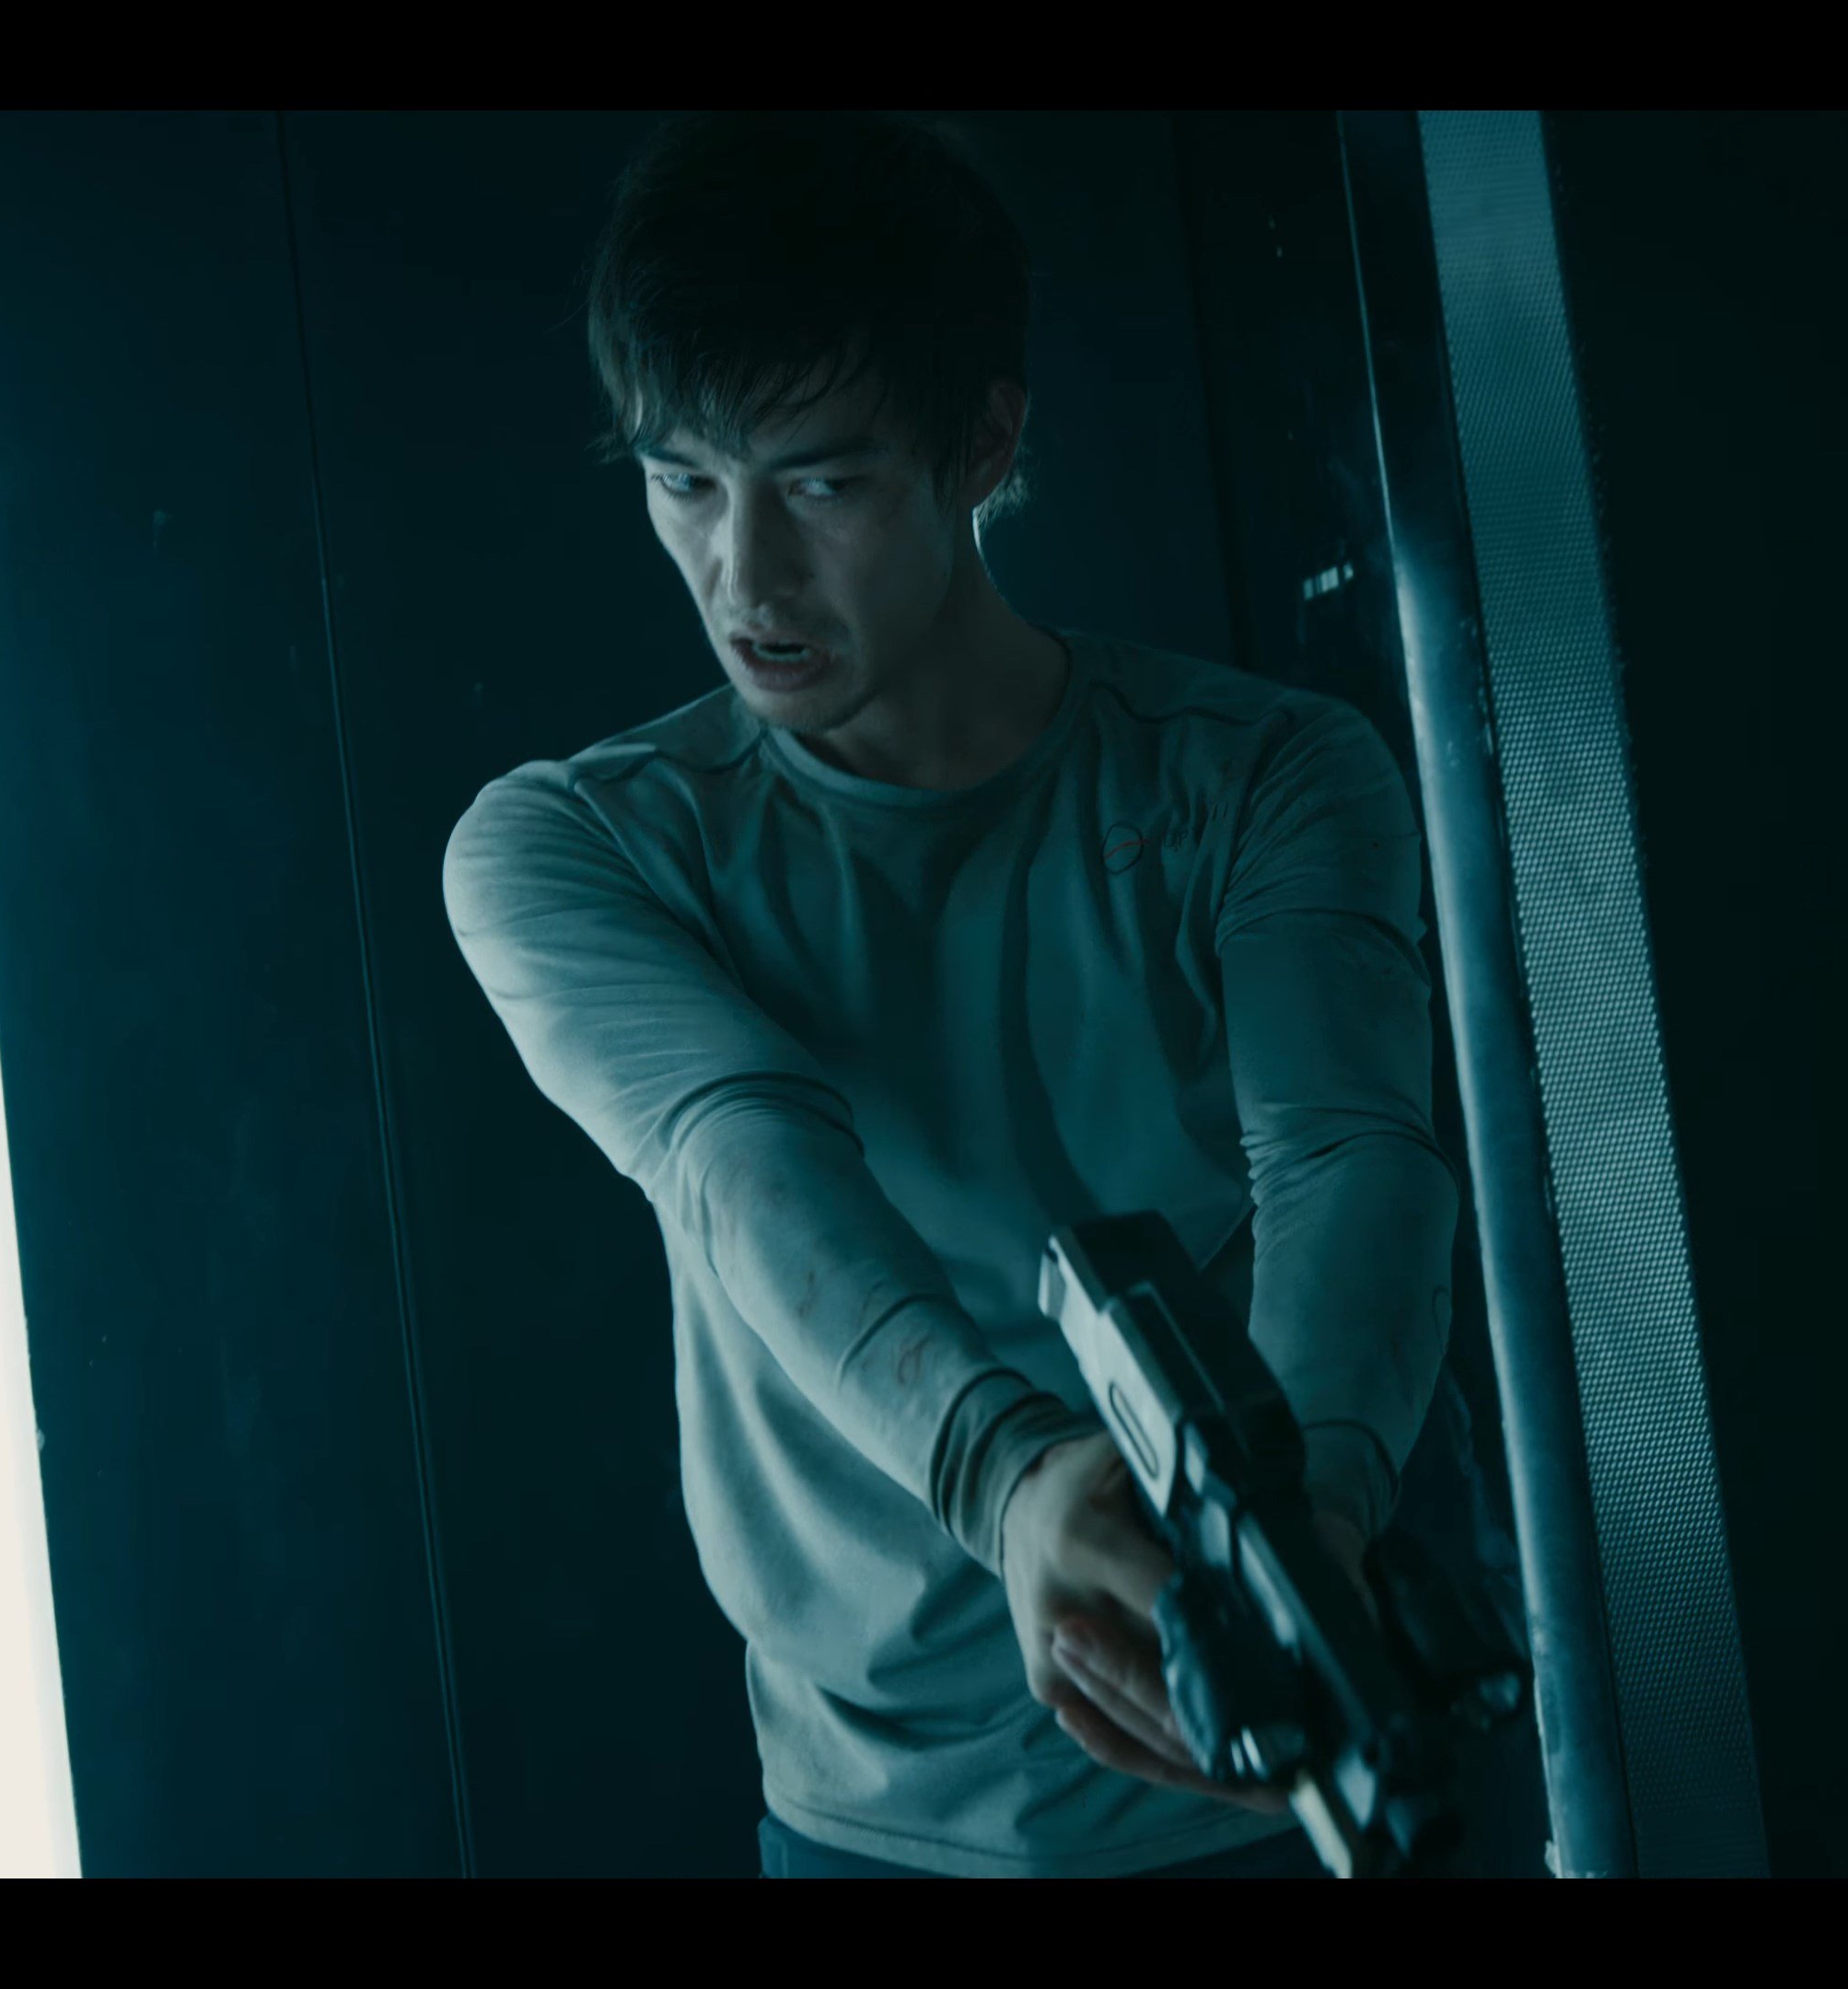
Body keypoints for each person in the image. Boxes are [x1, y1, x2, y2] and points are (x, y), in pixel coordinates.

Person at [441, 110, 1459, 1878]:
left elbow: (1346, 1157)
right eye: (686, 482)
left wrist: (1306, 1542)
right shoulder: (573, 847)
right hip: (870, 1828)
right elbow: (741, 1161)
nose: (744, 577)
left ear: (983, 444)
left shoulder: (1267, 778)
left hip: (1260, 1771)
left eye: (822, 486)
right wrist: (1012, 1475)